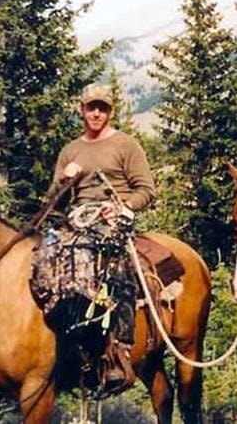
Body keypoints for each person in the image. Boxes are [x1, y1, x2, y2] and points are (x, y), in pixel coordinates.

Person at [45, 82, 155, 390]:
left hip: (113, 222)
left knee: (117, 271)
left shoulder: (126, 145)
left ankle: (119, 349)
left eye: (102, 108)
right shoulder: (71, 151)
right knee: (44, 264)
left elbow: (146, 189)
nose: (96, 113)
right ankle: (58, 346)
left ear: (110, 112)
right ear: (81, 109)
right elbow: (53, 202)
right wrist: (63, 181)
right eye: (91, 107)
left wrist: (122, 207)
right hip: (77, 222)